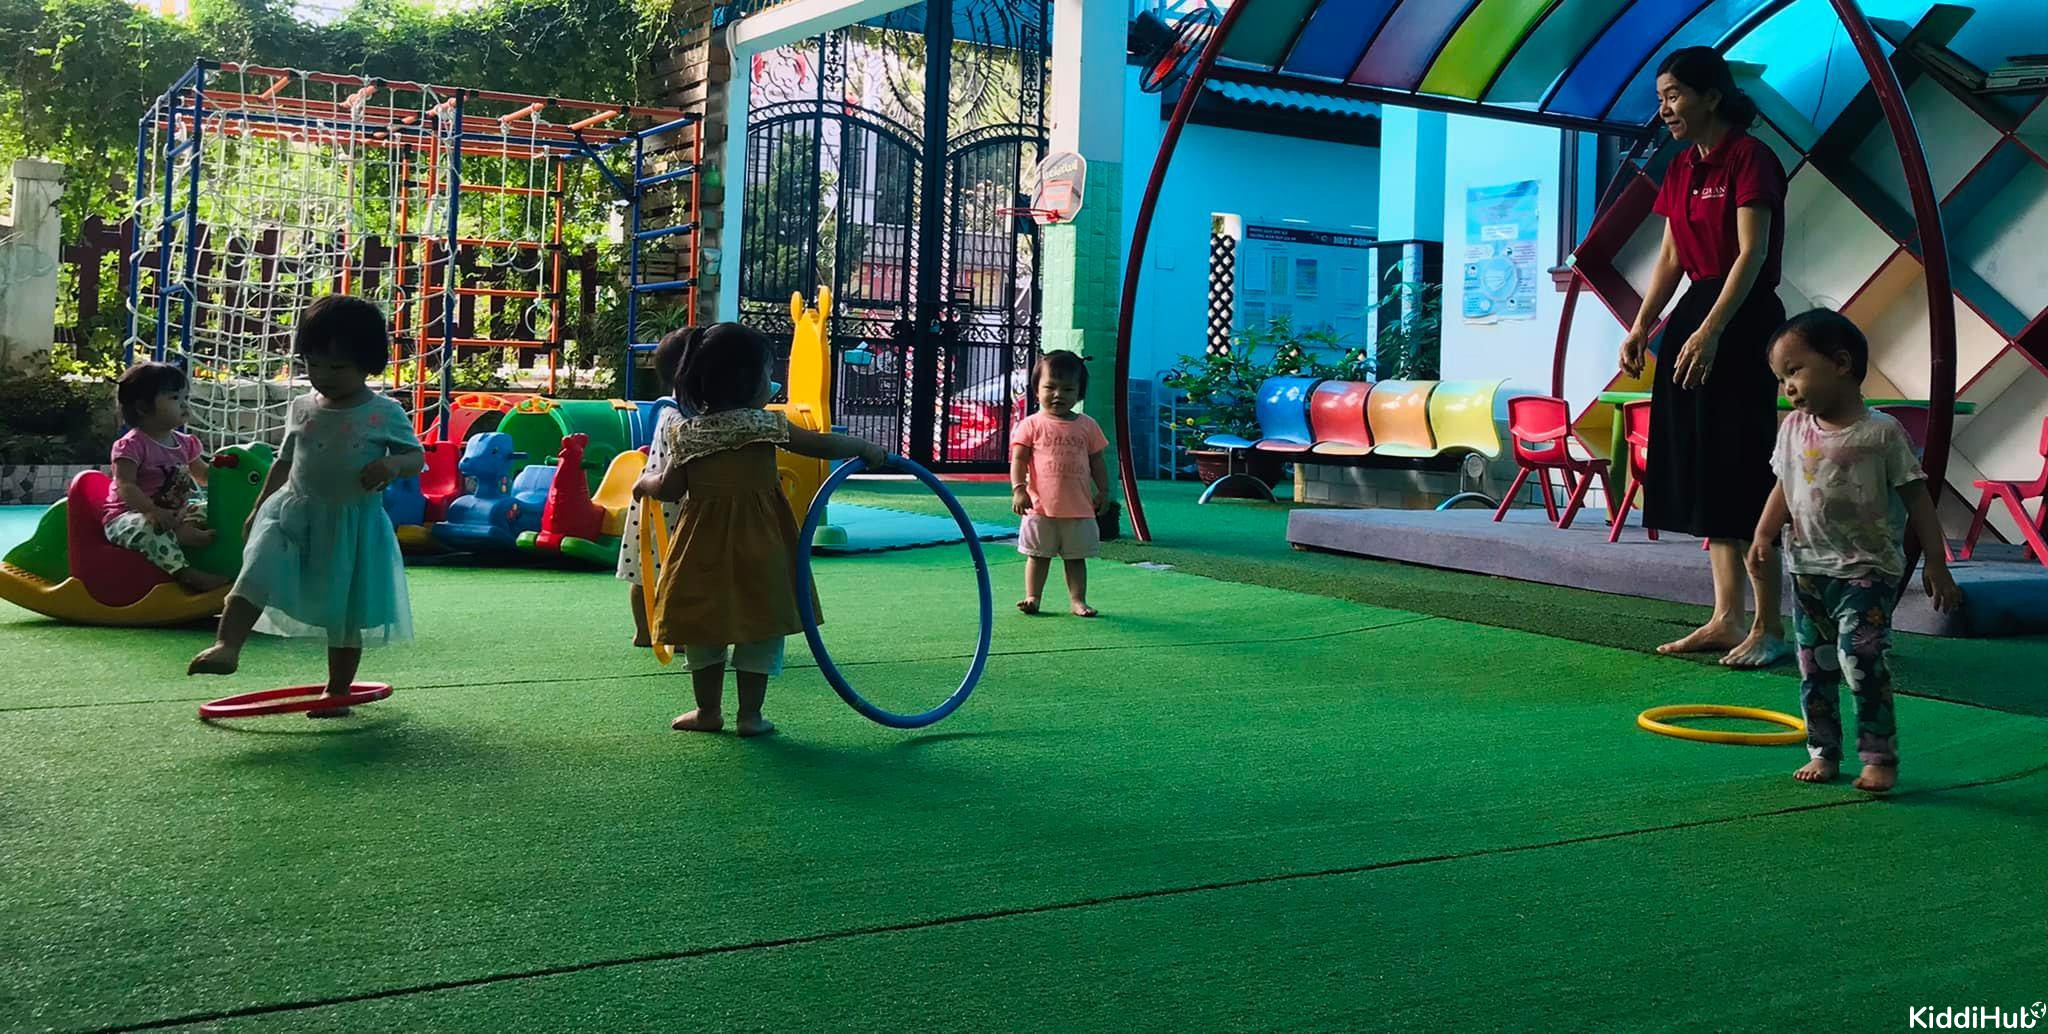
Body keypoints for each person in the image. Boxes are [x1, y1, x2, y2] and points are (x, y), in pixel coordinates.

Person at [1618, 46, 1792, 669]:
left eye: (1673, 95)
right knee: (1706, 465)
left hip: (1742, 316)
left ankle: (1769, 625)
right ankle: (1725, 617)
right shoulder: (1680, 166)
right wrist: (1642, 325)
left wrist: (1713, 330)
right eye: (1660, 98)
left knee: (1742, 462)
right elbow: (1669, 256)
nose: (1664, 108)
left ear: (1712, 96)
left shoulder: (1750, 157)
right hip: (1695, 311)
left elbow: (1751, 253)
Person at [635, 322, 884, 737]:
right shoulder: (765, 425)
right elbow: (820, 444)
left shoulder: (687, 433)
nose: (772, 381)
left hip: (702, 548)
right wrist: (863, 448)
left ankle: (708, 711)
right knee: (761, 622)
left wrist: (645, 483)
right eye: (768, 372)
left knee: (702, 624)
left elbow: (669, 488)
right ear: (748, 381)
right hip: (762, 543)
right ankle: (749, 716)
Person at [1748, 310, 1961, 793]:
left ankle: (1878, 756)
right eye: (1781, 378)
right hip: (1808, 568)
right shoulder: (1793, 429)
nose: (1788, 387)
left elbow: (1918, 499)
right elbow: (1784, 485)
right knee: (1815, 666)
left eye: (1795, 370)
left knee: (1860, 658)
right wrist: (1762, 535)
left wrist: (1936, 562)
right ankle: (1823, 750)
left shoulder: (1881, 433)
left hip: (1868, 569)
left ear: (1841, 363)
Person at [188, 295, 424, 718]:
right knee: (255, 569)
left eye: (338, 367)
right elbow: (284, 461)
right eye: (314, 364)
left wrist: (392, 464)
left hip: (349, 525)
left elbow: (415, 457)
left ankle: (337, 690)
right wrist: (259, 507)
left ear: (368, 364)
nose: (323, 377)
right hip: (291, 514)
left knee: (346, 611)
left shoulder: (383, 412)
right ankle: (227, 645)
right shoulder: (302, 406)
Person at [105, 362, 227, 592]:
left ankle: (185, 534)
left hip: (176, 514)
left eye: (185, 397)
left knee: (213, 509)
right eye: (174, 397)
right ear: (143, 407)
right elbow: (125, 485)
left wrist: (227, 473)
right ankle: (186, 574)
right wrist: (150, 510)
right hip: (130, 515)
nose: (184, 404)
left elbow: (203, 476)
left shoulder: (186, 443)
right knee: (150, 529)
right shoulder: (131, 445)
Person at [1010, 350, 1110, 617]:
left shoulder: (1087, 425)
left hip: (1078, 508)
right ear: (1036, 390)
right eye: (1050, 387)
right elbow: (1019, 459)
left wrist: (1104, 491)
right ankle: (1033, 597)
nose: (1058, 394)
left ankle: (1078, 600)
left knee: (1075, 558)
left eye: (1067, 389)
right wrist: (1019, 489)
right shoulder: (1031, 425)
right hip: (1040, 508)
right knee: (1037, 555)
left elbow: (1097, 461)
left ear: (1079, 393)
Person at [617, 328, 699, 647]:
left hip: (658, 500)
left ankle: (646, 630)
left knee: (645, 570)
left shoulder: (672, 408)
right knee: (663, 571)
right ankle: (657, 631)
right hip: (665, 500)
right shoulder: (680, 416)